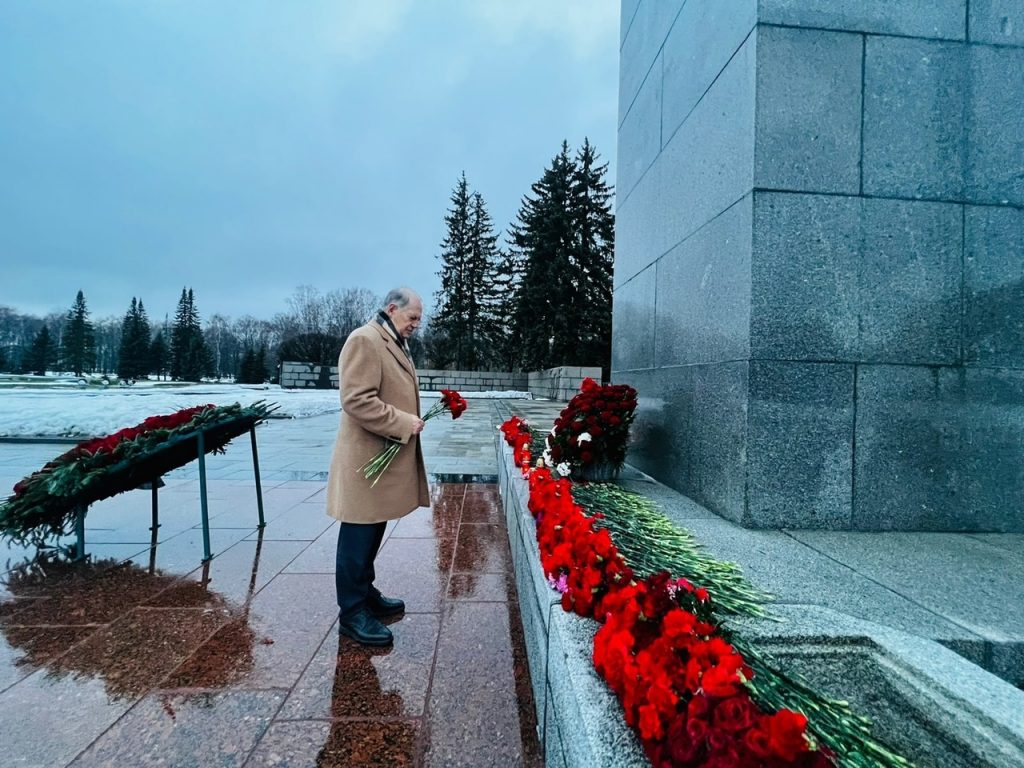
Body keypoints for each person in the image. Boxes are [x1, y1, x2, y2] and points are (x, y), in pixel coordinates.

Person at [326, 287, 429, 646]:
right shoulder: (365, 340)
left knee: (372, 530)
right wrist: (403, 422)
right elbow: (355, 400)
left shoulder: (391, 340)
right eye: (412, 317)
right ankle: (351, 613)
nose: (416, 324)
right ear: (392, 308)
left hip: (379, 460)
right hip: (364, 461)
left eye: (418, 318)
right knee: (357, 536)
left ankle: (364, 593)